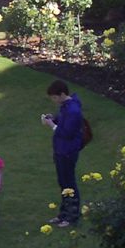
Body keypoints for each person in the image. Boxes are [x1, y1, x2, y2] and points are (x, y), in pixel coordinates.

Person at [42, 79, 84, 227]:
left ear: (61, 94)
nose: (54, 101)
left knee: (69, 183)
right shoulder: (66, 107)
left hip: (67, 151)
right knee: (63, 183)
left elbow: (67, 133)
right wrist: (53, 119)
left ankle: (72, 216)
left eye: (54, 97)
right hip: (61, 150)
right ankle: (64, 214)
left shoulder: (73, 110)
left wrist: (52, 125)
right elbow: (62, 121)